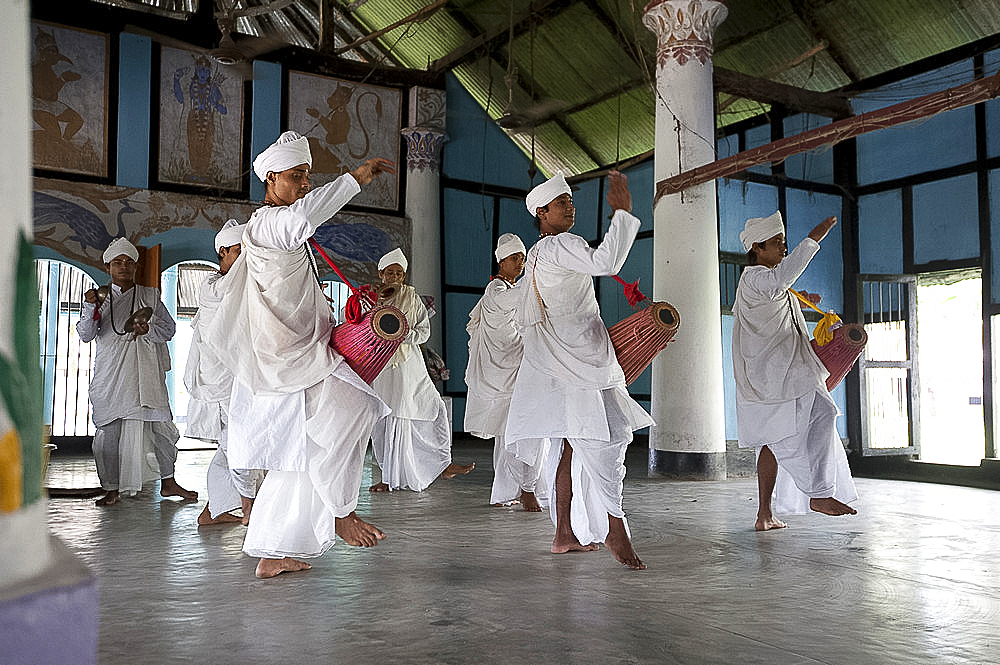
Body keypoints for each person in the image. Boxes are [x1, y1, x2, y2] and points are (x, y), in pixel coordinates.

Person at [203, 130, 394, 578]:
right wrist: (356, 178)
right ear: (271, 178)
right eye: (297, 176)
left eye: (307, 176)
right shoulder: (271, 223)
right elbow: (303, 218)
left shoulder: (275, 225)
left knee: (299, 454)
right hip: (292, 357)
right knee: (356, 406)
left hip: (300, 349)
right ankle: (342, 513)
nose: (305, 184)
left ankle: (272, 553)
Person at [505, 171, 653, 570]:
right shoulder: (561, 245)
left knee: (570, 448)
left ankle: (563, 534)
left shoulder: (535, 254)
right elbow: (606, 261)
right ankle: (614, 525)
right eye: (563, 203)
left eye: (571, 201)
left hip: (558, 361)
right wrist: (622, 212)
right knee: (608, 440)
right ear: (542, 212)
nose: (571, 207)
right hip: (582, 361)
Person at [732, 211, 859, 531]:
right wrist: (813, 238)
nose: (784, 248)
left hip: (783, 374)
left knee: (772, 442)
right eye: (778, 243)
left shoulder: (767, 283)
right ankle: (818, 493)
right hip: (774, 376)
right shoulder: (755, 277)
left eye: (785, 243)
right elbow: (776, 283)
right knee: (822, 413)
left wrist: (800, 303)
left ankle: (765, 514)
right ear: (757, 248)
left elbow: (773, 302)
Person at [77, 238, 198, 506]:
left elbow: (169, 329)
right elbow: (86, 335)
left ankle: (168, 482)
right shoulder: (99, 297)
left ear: (135, 266)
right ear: (108, 266)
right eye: (118, 263)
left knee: (163, 433)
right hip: (112, 376)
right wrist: (89, 308)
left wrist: (150, 331)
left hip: (146, 376)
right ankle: (111, 488)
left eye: (129, 263)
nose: (124, 267)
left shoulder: (150, 295)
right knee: (110, 435)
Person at [367, 248, 475, 492]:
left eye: (399, 273)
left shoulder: (412, 298)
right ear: (381, 274)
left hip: (409, 365)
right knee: (388, 419)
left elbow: (423, 331)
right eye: (390, 272)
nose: (395, 276)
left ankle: (441, 464)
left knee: (429, 408)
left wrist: (399, 335)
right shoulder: (371, 298)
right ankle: (387, 478)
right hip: (382, 365)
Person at [185, 220, 263, 526]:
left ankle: (214, 509)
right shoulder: (212, 285)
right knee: (239, 442)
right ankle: (247, 506)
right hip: (224, 380)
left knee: (235, 444)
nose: (246, 257)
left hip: (243, 379)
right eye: (239, 251)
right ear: (223, 253)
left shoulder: (242, 283)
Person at [465, 233, 546, 511]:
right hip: (507, 371)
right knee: (516, 430)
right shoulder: (496, 291)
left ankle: (510, 490)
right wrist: (542, 269)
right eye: (515, 258)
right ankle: (525, 489)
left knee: (514, 431)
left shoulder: (511, 288)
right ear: (501, 261)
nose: (520, 263)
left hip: (519, 363)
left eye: (523, 258)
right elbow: (518, 297)